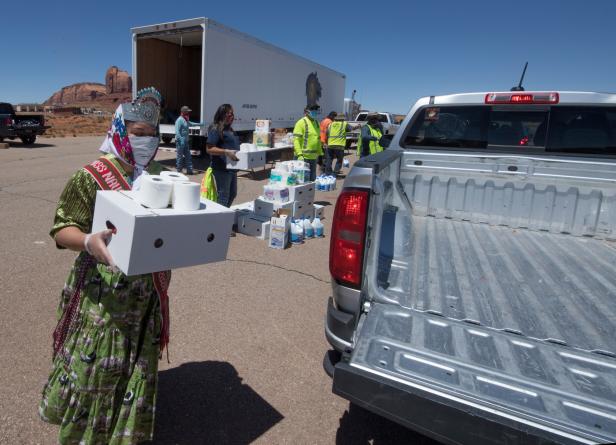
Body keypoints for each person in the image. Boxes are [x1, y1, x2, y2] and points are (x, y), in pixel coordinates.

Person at [39, 88, 173, 444]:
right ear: (118, 130)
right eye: (137, 133)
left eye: (151, 134)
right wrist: (86, 241)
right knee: (96, 372)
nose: (145, 141)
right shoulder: (92, 175)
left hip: (144, 298)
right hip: (104, 299)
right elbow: (61, 227)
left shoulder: (160, 175)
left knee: (135, 369)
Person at [206, 103, 240, 207]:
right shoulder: (216, 128)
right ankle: (220, 220)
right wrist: (226, 152)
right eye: (229, 115)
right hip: (222, 169)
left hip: (232, 169)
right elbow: (209, 148)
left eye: (232, 114)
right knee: (223, 196)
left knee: (232, 194)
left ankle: (225, 216)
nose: (232, 117)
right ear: (222, 115)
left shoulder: (230, 130)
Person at [293, 105, 323, 181]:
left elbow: (318, 139)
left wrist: (320, 153)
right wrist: (299, 154)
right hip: (303, 157)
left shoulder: (316, 123)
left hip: (313, 158)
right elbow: (296, 140)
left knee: (312, 180)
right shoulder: (301, 123)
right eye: (313, 110)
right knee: (301, 181)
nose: (315, 112)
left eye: (316, 110)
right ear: (307, 112)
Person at [175, 105, 203, 175]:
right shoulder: (179, 120)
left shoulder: (185, 119)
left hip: (185, 142)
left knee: (188, 156)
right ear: (183, 112)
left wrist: (200, 124)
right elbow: (177, 131)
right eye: (187, 112)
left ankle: (189, 171)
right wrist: (181, 139)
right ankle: (179, 171)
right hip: (180, 142)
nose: (188, 113)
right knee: (180, 157)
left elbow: (191, 124)